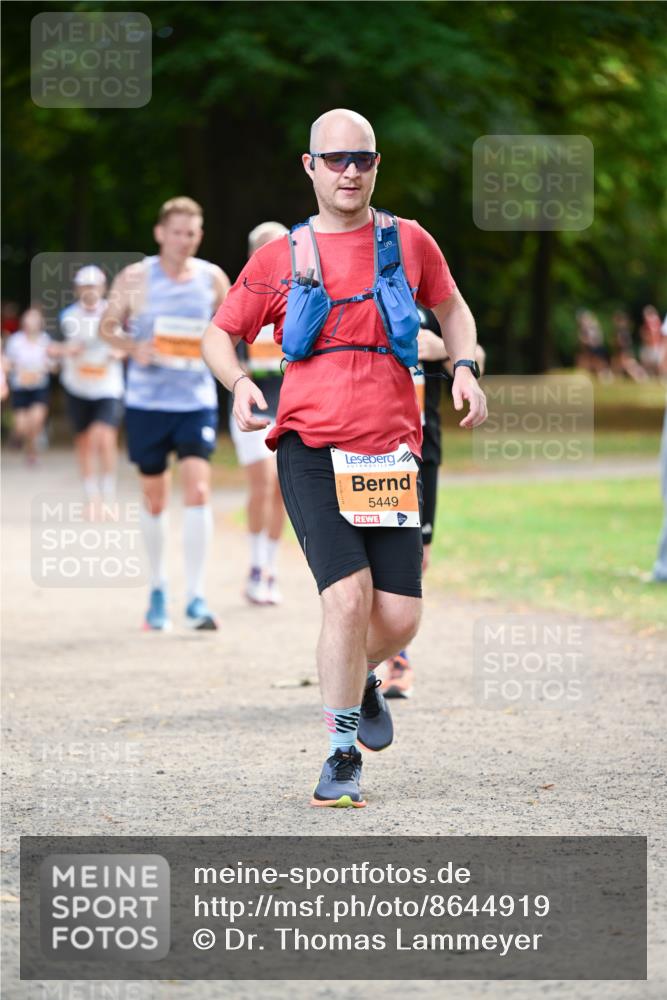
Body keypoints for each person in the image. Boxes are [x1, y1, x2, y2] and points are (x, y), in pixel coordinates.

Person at [202, 108, 487, 808]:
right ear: (309, 166)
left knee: (398, 618)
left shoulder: (408, 241)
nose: (349, 171)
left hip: (389, 450)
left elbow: (451, 310)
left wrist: (465, 365)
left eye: (361, 158)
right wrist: (238, 383)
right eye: (335, 160)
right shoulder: (280, 257)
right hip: (309, 446)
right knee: (347, 599)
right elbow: (218, 334)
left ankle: (357, 676)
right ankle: (339, 753)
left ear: (376, 164)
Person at [99, 197, 230, 631]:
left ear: (200, 236)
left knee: (198, 492)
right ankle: (158, 589)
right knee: (155, 498)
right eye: (176, 231)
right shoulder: (136, 277)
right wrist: (133, 348)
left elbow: (232, 329)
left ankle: (195, 597)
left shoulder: (212, 279)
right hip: (147, 403)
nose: (184, 240)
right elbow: (107, 327)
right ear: (160, 233)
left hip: (195, 402)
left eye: (191, 232)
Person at [378, 307, 486, 698]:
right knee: (376, 554)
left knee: (416, 558)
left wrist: (441, 348)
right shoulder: (363, 288)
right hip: (376, 447)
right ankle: (391, 660)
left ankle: (389, 654)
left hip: (426, 451)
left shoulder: (434, 306)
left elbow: (479, 358)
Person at [231, 222, 288, 605]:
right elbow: (224, 347)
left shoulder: (302, 296)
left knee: (284, 489)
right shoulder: (241, 297)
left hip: (292, 406)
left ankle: (270, 566)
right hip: (254, 408)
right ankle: (254, 565)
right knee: (263, 485)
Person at [57, 265, 125, 506]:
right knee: (84, 441)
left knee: (104, 437)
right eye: (85, 286)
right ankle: (90, 493)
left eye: (94, 286)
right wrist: (67, 350)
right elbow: (49, 348)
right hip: (78, 386)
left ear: (102, 288)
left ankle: (108, 490)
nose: (89, 290)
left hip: (107, 387)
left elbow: (128, 345)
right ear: (77, 289)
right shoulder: (67, 317)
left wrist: (118, 353)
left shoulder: (113, 314)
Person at [2, 306, 56, 464]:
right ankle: (16, 436)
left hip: (39, 387)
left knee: (36, 420)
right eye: (28, 318)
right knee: (22, 426)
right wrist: (16, 370)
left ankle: (32, 452)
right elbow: (7, 363)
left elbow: (53, 364)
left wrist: (46, 368)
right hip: (20, 387)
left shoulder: (45, 340)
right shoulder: (15, 341)